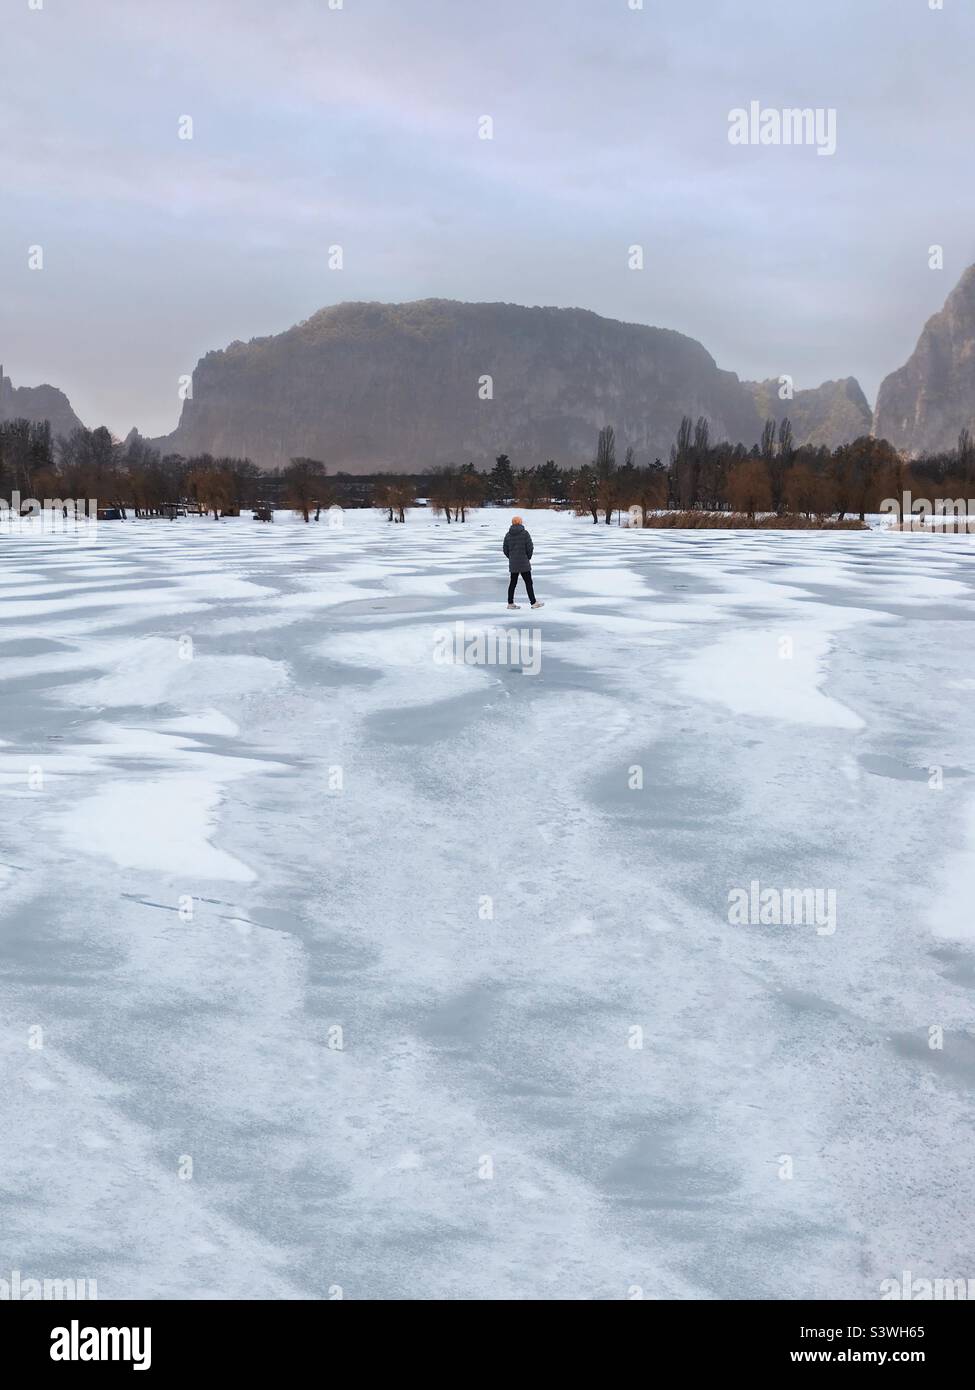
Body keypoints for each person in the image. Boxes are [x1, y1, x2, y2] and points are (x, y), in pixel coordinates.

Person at [503, 515, 544, 609]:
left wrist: (511, 558)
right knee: (528, 582)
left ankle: (510, 603)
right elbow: (530, 547)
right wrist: (527, 557)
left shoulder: (508, 535)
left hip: (513, 563)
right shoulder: (525, 534)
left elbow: (505, 549)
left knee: (513, 583)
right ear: (521, 523)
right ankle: (533, 602)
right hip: (524, 562)